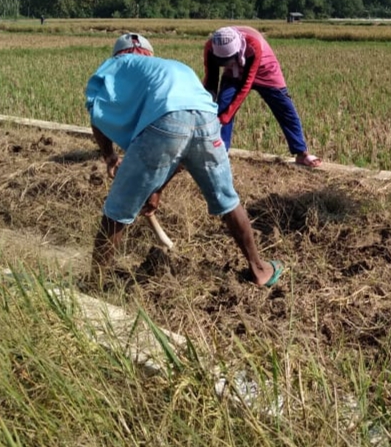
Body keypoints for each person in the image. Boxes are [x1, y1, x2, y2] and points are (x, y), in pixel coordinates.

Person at [86, 32, 284, 287]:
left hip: (165, 122)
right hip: (207, 120)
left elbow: (97, 111)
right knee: (227, 200)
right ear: (148, 53)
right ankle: (259, 269)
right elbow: (184, 140)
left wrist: (110, 156)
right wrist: (156, 188)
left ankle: (93, 283)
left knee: (117, 210)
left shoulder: (115, 65)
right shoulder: (175, 67)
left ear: (119, 54)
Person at [202, 26, 321, 167]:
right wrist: (208, 109)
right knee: (223, 105)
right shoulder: (211, 47)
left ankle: (301, 152)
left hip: (265, 69)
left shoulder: (253, 45)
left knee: (284, 107)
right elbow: (211, 80)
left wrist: (225, 117)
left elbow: (246, 85)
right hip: (233, 72)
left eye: (228, 60)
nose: (225, 63)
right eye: (223, 62)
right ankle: (220, 153)